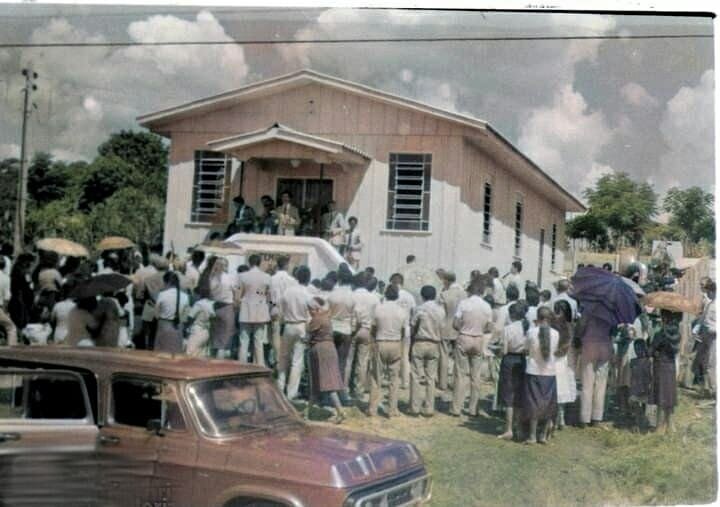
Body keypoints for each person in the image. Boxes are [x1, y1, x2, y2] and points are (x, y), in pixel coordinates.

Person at [451, 281, 493, 417]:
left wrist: (462, 329)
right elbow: (489, 327)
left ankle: (456, 407)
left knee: (461, 374)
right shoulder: (487, 306)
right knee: (476, 376)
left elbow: (455, 323)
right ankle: (472, 408)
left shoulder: (464, 304)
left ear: (470, 291)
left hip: (464, 337)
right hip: (478, 338)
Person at [369, 285, 408, 417]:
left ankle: (372, 409)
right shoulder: (402, 311)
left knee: (376, 377)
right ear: (397, 295)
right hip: (395, 343)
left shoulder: (378, 309)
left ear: (385, 294)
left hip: (381, 342)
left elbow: (373, 329)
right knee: (394, 379)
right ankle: (392, 409)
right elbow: (403, 331)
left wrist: (373, 342)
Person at [522, 307, 560, 444]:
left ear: (537, 318)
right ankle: (543, 435)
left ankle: (532, 435)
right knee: (548, 403)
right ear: (550, 319)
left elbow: (525, 349)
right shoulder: (556, 334)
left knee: (533, 403)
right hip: (549, 373)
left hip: (533, 371)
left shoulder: (531, 332)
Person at [305, 297, 346, 424]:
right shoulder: (326, 317)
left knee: (325, 383)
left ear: (316, 309)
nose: (309, 312)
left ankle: (340, 411)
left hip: (320, 350)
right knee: (322, 381)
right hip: (329, 348)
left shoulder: (316, 319)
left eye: (311, 309)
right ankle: (308, 411)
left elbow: (308, 334)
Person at [277, 266, 313, 401]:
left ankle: (280, 387)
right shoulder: (308, 294)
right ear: (308, 278)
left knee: (283, 357)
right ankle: (291, 393)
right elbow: (310, 314)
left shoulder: (287, 292)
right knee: (297, 361)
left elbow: (281, 311)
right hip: (302, 326)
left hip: (288, 325)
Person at [409, 285, 445, 417]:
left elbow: (413, 326)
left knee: (415, 376)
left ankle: (415, 407)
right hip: (434, 344)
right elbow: (442, 327)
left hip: (420, 342)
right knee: (431, 378)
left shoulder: (420, 309)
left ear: (422, 295)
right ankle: (429, 408)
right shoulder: (440, 310)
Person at [577, 301, 614, 427]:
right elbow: (613, 330)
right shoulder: (611, 310)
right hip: (605, 345)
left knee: (587, 382)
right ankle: (597, 417)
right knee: (601, 383)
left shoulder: (588, 309)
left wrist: (579, 337)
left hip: (590, 344)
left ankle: (584, 418)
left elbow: (581, 327)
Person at [497, 301, 529, 440]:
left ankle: (509, 429)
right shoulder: (528, 328)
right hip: (522, 360)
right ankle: (519, 428)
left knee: (509, 395)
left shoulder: (508, 329)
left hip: (509, 360)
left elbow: (503, 350)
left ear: (511, 315)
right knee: (519, 394)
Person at [237, 254, 271, 365]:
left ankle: (241, 368)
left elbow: (238, 295)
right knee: (259, 342)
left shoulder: (242, 276)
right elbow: (268, 296)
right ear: (259, 262)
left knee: (244, 341)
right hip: (261, 310)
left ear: (249, 262)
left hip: (246, 310)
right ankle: (259, 366)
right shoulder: (266, 277)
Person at [650, 310, 681, 434]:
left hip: (661, 365)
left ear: (664, 318)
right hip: (671, 366)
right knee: (669, 395)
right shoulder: (677, 333)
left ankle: (659, 426)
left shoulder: (660, 334)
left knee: (661, 395)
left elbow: (651, 350)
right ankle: (670, 424)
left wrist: (653, 350)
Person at [201, 257, 238, 358]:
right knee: (224, 341)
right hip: (227, 307)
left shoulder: (212, 278)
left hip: (215, 306)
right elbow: (236, 291)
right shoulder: (229, 278)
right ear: (225, 266)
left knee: (215, 338)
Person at [351, 273, 381, 397]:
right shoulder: (374, 298)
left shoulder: (351, 295)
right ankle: (359, 389)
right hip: (367, 329)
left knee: (348, 361)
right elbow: (377, 317)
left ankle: (344, 389)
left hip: (352, 329)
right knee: (362, 362)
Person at [328, 269, 356, 395]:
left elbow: (327, 312)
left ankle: (330, 389)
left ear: (339, 279)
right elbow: (355, 315)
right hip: (346, 330)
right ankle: (339, 389)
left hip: (333, 328)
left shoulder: (332, 294)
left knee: (330, 361)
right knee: (342, 362)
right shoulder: (352, 296)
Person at [438, 271, 465, 392]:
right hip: (459, 328)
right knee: (458, 358)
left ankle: (442, 383)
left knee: (443, 355)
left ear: (446, 281)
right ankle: (456, 382)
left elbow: (440, 313)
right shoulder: (463, 294)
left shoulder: (444, 294)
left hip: (446, 327)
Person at [551, 300, 576, 430]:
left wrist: (559, 350)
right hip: (560, 358)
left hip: (561, 358)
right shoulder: (567, 325)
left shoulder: (566, 325)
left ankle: (559, 418)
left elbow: (568, 342)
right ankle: (559, 418)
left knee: (561, 388)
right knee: (560, 388)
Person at [269, 256, 298, 367]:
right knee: (285, 337)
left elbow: (268, 296)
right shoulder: (292, 280)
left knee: (275, 336)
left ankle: (277, 359)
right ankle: (285, 359)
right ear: (286, 265)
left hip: (275, 308)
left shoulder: (272, 279)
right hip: (287, 310)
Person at [390, 273, 415, 389]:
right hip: (406, 330)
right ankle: (405, 382)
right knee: (405, 357)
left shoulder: (390, 295)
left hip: (392, 329)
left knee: (392, 357)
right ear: (402, 282)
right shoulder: (409, 296)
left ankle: (392, 379)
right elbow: (414, 312)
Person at [154, 271, 189, 353]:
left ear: (167, 282)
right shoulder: (185, 296)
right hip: (178, 327)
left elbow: (156, 314)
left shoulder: (162, 294)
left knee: (161, 352)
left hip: (164, 325)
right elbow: (185, 316)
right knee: (175, 353)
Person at [692, 280, 716, 395]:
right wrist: (697, 328)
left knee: (712, 363)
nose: (708, 294)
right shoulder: (710, 303)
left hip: (714, 337)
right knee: (704, 362)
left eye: (709, 292)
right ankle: (707, 388)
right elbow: (703, 318)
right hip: (705, 334)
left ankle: (714, 390)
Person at [629, 338, 652, 432]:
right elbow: (631, 377)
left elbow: (649, 377)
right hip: (635, 389)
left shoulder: (648, 362)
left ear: (644, 349)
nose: (638, 351)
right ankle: (638, 422)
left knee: (644, 405)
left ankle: (642, 422)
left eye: (640, 349)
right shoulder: (633, 361)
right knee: (634, 403)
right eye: (636, 349)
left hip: (645, 389)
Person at [8, 253, 35, 331]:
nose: (30, 263)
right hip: (22, 297)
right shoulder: (23, 271)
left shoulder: (15, 268)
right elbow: (28, 283)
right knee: (22, 318)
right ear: (25, 261)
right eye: (29, 261)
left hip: (16, 295)